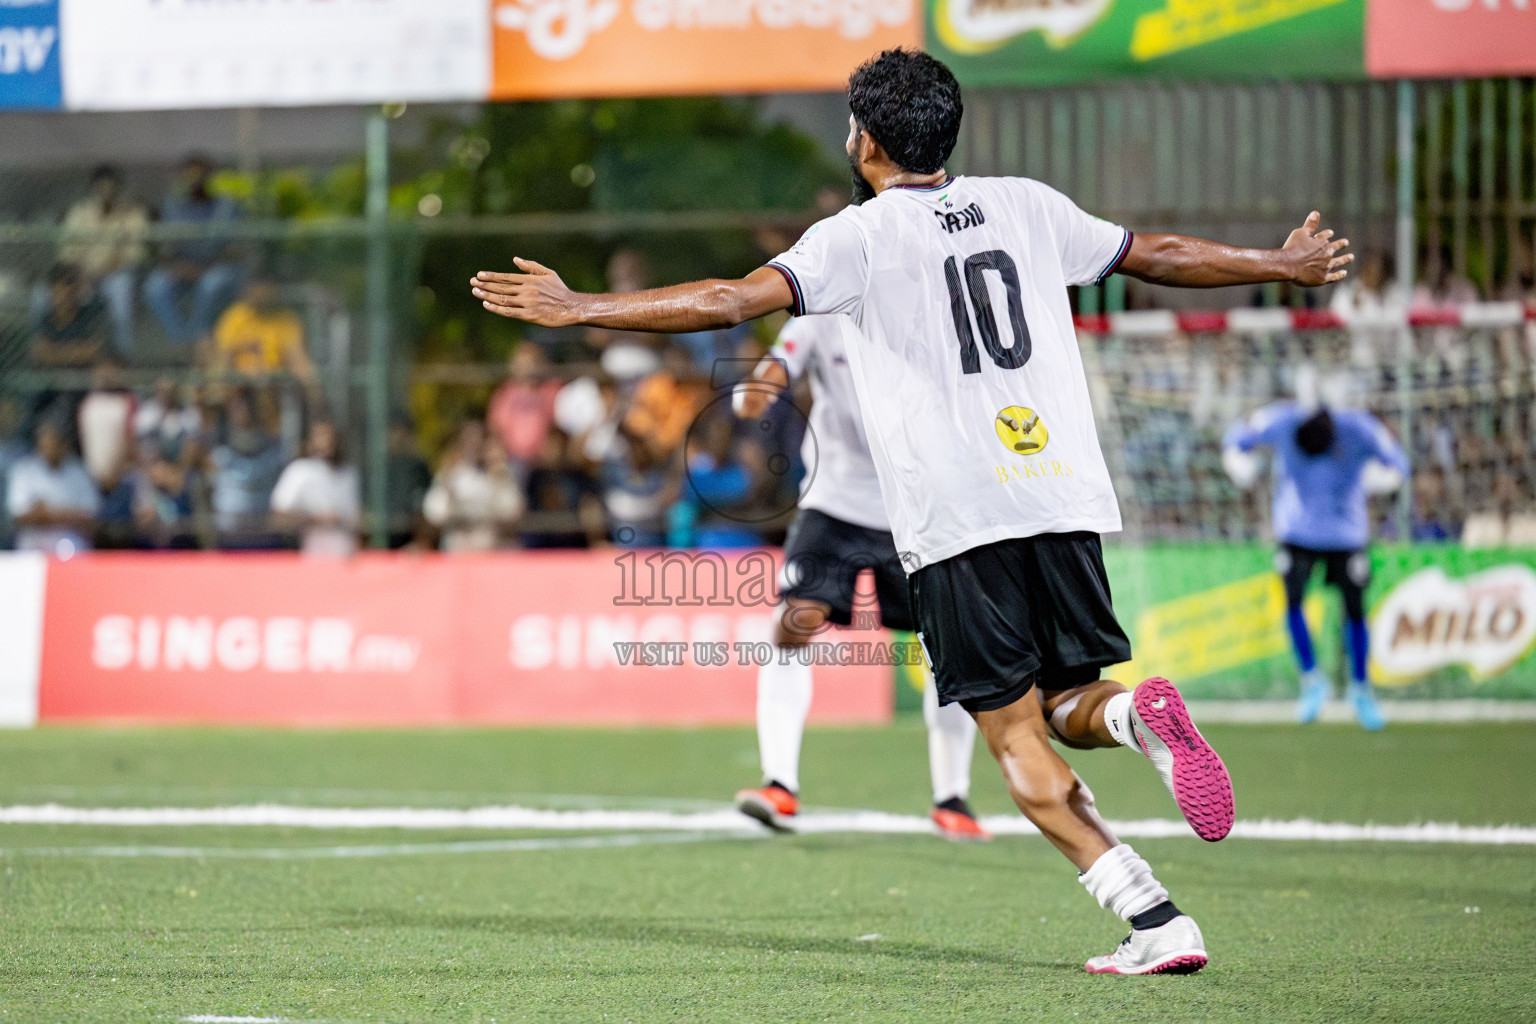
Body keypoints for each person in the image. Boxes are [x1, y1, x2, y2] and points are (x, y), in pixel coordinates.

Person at [472, 48, 1351, 974]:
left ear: (869, 142)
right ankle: (1136, 719)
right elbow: (1156, 254)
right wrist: (1278, 264)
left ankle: (1155, 919)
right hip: (1061, 496)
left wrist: (581, 309)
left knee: (1013, 733)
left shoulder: (854, 237)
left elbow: (730, 299)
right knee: (1064, 702)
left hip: (957, 513)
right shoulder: (1028, 203)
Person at [732, 314, 987, 840]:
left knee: (947, 645)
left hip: (917, 506)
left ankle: (952, 797)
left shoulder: (925, 306)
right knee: (795, 621)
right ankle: (779, 783)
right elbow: (778, 363)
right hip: (836, 501)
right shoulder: (819, 315)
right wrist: (755, 392)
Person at [1224, 402, 1409, 731]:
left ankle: (1361, 688)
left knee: (1355, 610)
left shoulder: (1361, 428)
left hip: (1347, 535)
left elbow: (1398, 463)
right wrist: (1242, 466)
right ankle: (1312, 681)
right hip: (1297, 534)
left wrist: (1379, 479)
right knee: (1293, 603)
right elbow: (1236, 439)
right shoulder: (1278, 420)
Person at [142, 155, 244, 349]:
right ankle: (182, 340)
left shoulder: (225, 206)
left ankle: (198, 336)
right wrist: (176, 265)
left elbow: (236, 249)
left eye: (200, 177)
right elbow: (166, 246)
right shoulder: (173, 205)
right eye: (189, 177)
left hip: (218, 267)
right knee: (154, 286)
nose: (194, 183)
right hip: (183, 266)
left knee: (210, 284)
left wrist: (203, 268)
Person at [48, 164, 148, 357]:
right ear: (94, 189)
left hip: (116, 274)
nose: (106, 193)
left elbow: (135, 254)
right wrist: (81, 274)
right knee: (44, 296)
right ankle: (57, 353)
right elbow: (67, 252)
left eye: (111, 188)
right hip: (81, 274)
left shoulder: (133, 213)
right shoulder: (80, 213)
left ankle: (123, 356)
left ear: (119, 189)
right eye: (102, 188)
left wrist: (105, 270)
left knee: (121, 294)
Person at [422, 421, 525, 552]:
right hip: (457, 548)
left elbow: (512, 511)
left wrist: (500, 481)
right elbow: (434, 513)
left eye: (478, 440)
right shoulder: (450, 473)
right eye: (468, 440)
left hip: (492, 548)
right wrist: (447, 488)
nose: (473, 446)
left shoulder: (499, 473)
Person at [6, 419, 100, 557]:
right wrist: (67, 513)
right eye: (46, 442)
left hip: (70, 543)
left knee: (74, 547)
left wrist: (46, 512)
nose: (50, 446)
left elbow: (89, 516)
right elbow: (19, 516)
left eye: (54, 442)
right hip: (34, 543)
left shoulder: (78, 472)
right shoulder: (24, 471)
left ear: (64, 445)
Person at [270, 420, 361, 558]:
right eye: (319, 436)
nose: (325, 442)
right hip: (311, 557)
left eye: (329, 437)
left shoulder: (349, 474)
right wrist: (316, 519)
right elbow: (279, 515)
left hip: (346, 558)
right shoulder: (299, 471)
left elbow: (355, 521)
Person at [208, 277, 316, 383]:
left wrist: (309, 384)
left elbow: (297, 355)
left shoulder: (285, 320)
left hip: (275, 382)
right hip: (238, 382)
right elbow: (222, 355)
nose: (262, 294)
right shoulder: (234, 317)